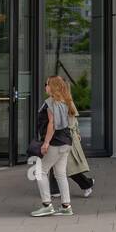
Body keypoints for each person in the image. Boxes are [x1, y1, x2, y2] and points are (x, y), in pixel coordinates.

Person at [31, 75, 76, 217]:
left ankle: (47, 205)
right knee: (61, 174)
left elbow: (52, 124)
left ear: (53, 86)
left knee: (40, 171)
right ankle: (66, 206)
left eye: (47, 84)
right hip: (66, 142)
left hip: (55, 143)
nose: (45, 86)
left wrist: (45, 143)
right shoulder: (66, 100)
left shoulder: (51, 102)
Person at [47, 93, 94, 200]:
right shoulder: (51, 101)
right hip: (59, 137)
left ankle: (87, 183)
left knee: (68, 167)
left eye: (48, 85)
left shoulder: (65, 101)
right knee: (54, 164)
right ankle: (55, 190)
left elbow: (72, 120)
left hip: (65, 137)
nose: (47, 87)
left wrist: (76, 132)